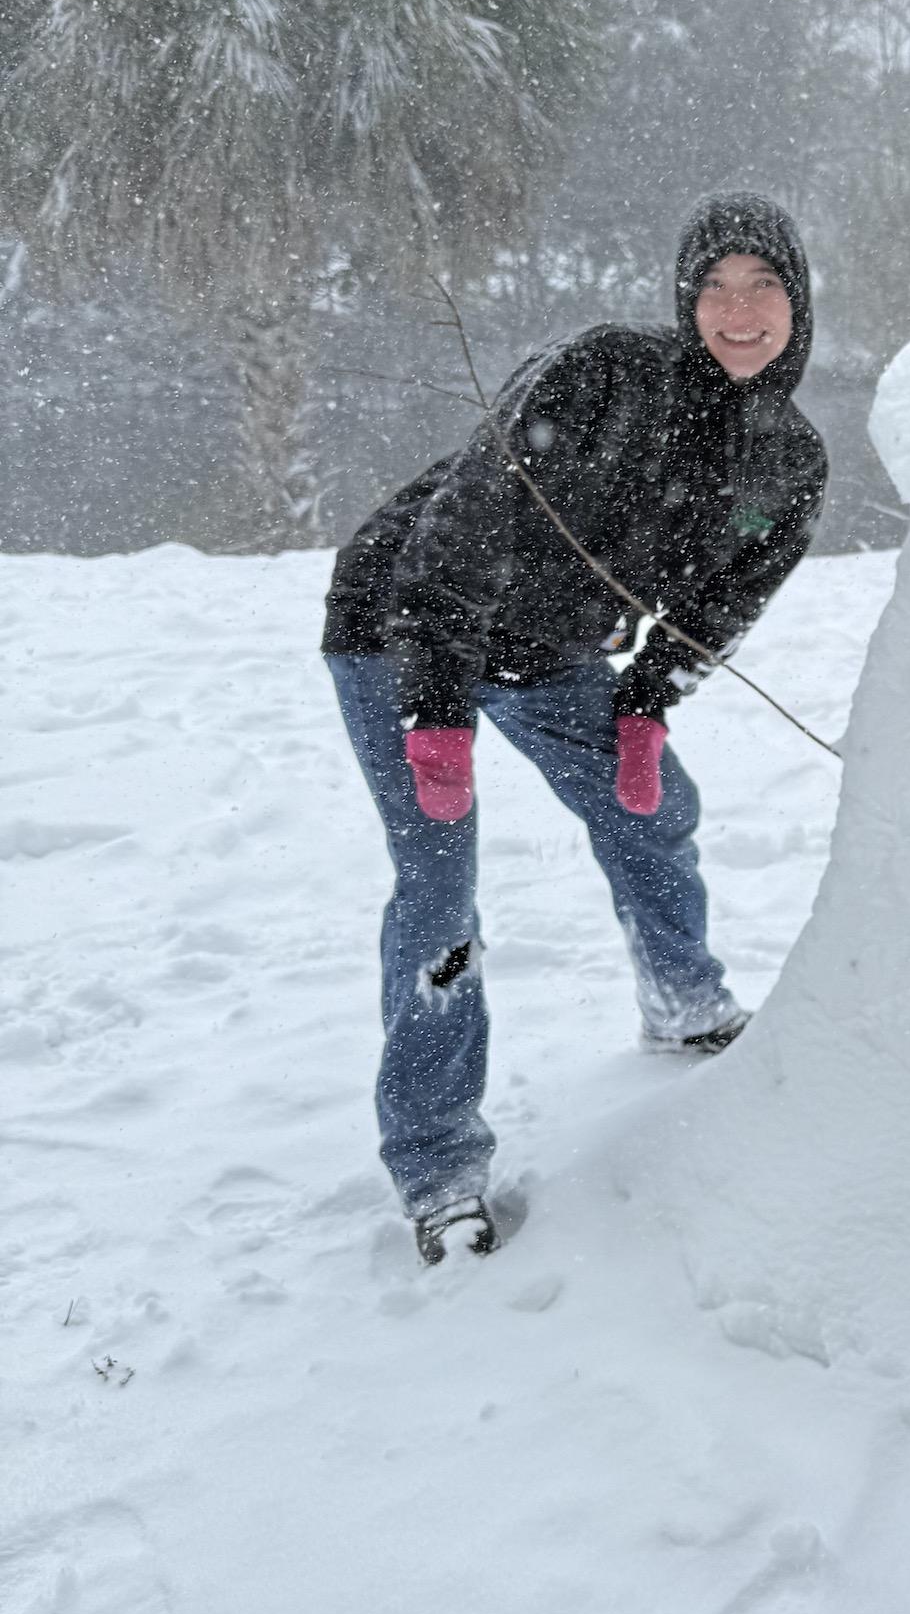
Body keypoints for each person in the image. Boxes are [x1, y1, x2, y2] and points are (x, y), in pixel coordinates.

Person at [322, 193, 826, 1263]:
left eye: (763, 288)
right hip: (403, 626)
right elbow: (458, 528)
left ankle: (683, 999)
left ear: (798, 303)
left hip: (553, 651)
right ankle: (439, 1166)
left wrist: (646, 702)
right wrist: (438, 711)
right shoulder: (601, 373)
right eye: (715, 289)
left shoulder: (788, 460)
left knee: (655, 808)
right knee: (438, 890)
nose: (738, 313)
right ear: (684, 300)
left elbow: (720, 600)